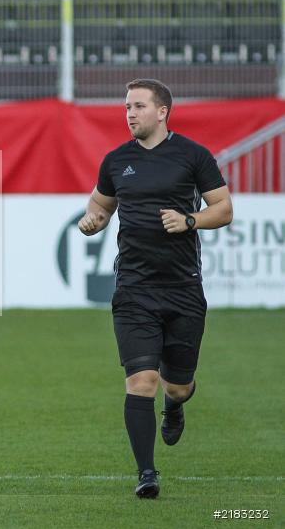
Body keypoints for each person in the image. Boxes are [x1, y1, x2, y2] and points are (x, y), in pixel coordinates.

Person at [78, 79, 233, 499]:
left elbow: (223, 209)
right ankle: (147, 473)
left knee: (175, 384)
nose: (130, 113)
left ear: (162, 111)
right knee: (140, 380)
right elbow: (99, 206)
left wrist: (190, 220)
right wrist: (91, 221)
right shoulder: (116, 161)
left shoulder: (193, 156)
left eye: (138, 106)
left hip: (183, 289)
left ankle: (177, 404)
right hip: (134, 289)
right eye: (127, 106)